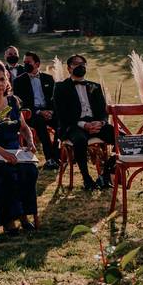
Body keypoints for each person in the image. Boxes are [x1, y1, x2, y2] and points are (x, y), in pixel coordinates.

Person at [0, 61, 39, 236]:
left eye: (2, 80)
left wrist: (30, 142)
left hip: (14, 148)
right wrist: (2, 153)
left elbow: (24, 127)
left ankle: (25, 215)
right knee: (5, 171)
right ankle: (8, 220)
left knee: (30, 170)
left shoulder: (12, 101)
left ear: (7, 81)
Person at [53, 54, 116, 191]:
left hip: (95, 124)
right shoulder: (60, 87)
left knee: (120, 137)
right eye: (76, 64)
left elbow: (103, 111)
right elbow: (62, 114)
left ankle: (106, 174)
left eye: (83, 63)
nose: (80, 66)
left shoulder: (95, 86)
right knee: (80, 140)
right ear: (69, 69)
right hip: (73, 126)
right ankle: (87, 179)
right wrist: (84, 125)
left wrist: (101, 123)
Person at [12, 52, 60, 169]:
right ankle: (49, 158)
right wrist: (39, 112)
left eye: (28, 62)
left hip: (48, 111)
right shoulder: (19, 81)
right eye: (24, 63)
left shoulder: (48, 78)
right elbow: (21, 103)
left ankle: (56, 155)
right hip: (31, 114)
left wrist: (51, 111)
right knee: (40, 123)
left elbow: (54, 98)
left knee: (61, 122)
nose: (25, 65)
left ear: (37, 64)